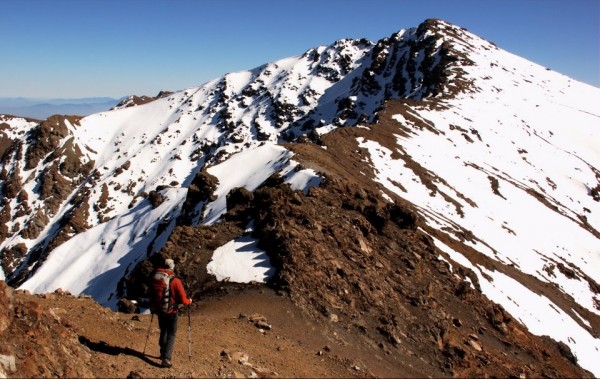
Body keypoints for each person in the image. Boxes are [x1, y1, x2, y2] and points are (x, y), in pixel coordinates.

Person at [150, 257, 192, 368]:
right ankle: (167, 358)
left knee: (163, 330)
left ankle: (162, 352)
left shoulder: (156, 277)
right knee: (171, 334)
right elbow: (183, 299)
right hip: (171, 311)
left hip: (159, 309)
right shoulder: (175, 281)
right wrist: (189, 301)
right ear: (172, 267)